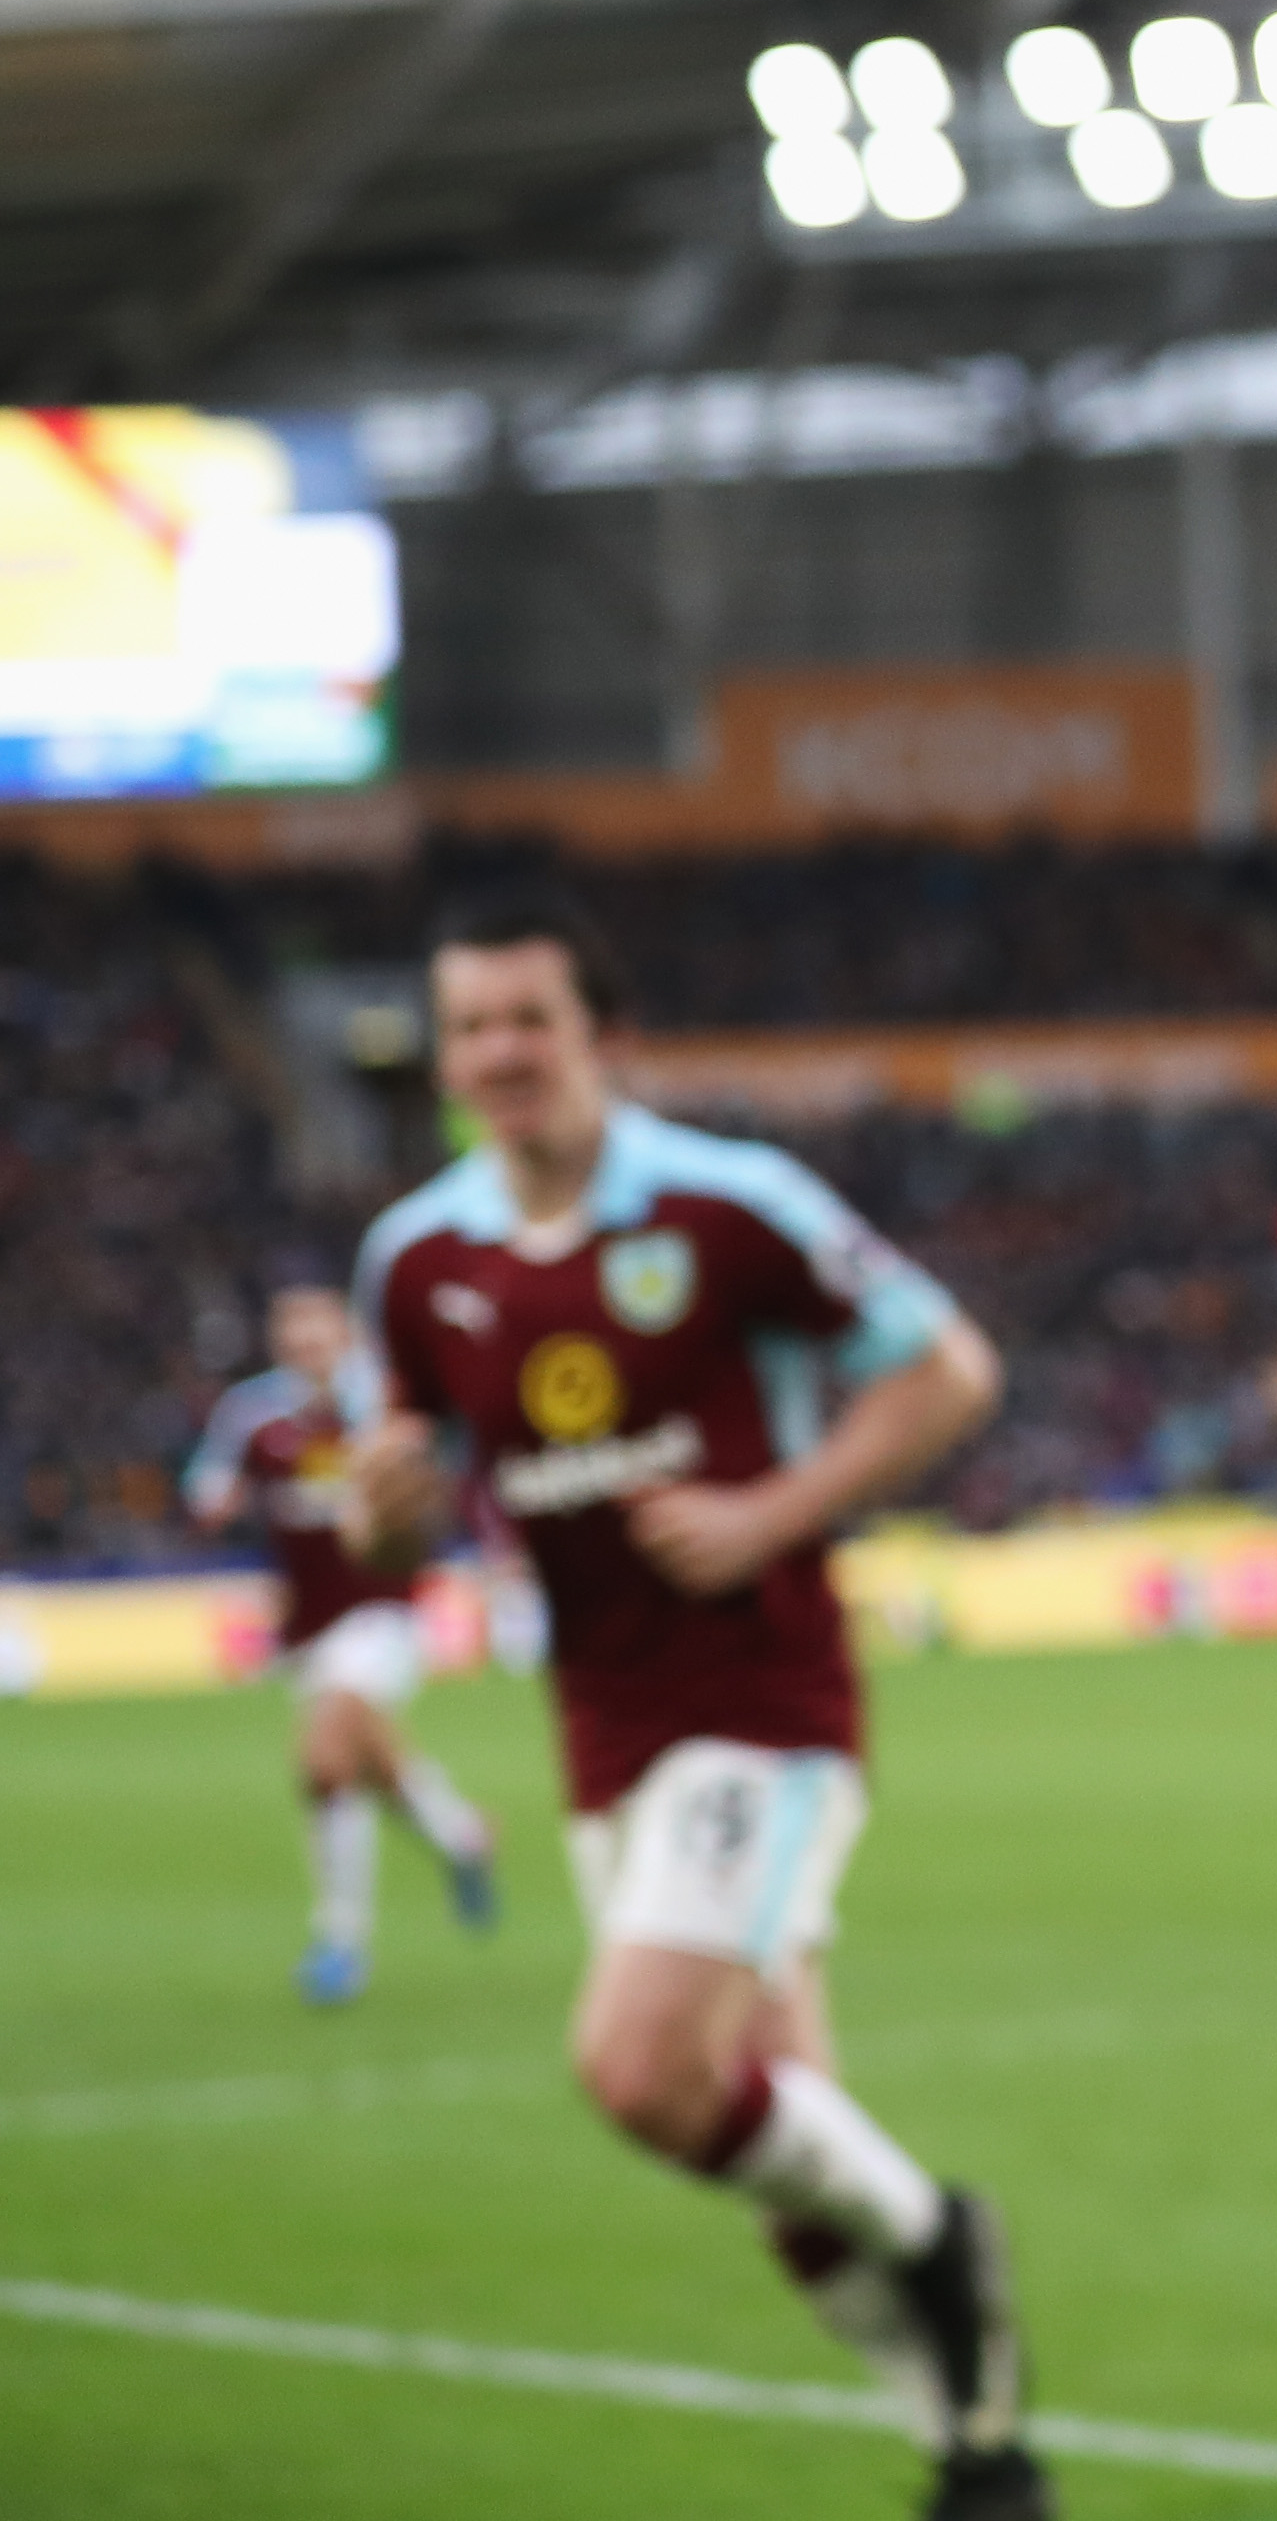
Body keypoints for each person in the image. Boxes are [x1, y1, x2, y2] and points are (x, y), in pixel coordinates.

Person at [347, 887, 1053, 2521]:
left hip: (760, 1696)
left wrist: (771, 1512)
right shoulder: (418, 1260)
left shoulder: (731, 1207)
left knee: (642, 2070)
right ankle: (978, 2455)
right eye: (471, 1027)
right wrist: (380, 1517)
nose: (501, 1052)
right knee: (783, 2148)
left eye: (531, 1018)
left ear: (605, 1036)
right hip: (601, 1727)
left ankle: (943, 2242)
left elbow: (949, 1370)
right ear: (441, 1060)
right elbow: (408, 1513)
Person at [187, 1278, 498, 2002]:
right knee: (372, 1764)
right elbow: (206, 1489)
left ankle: (339, 1941)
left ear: (347, 1338)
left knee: (326, 1761)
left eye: (320, 1333)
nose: (307, 1347)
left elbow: (453, 1470)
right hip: (307, 1626)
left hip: (384, 1611)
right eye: (294, 1335)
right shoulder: (252, 1414)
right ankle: (461, 1837)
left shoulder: (386, 1406)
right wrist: (219, 1506)